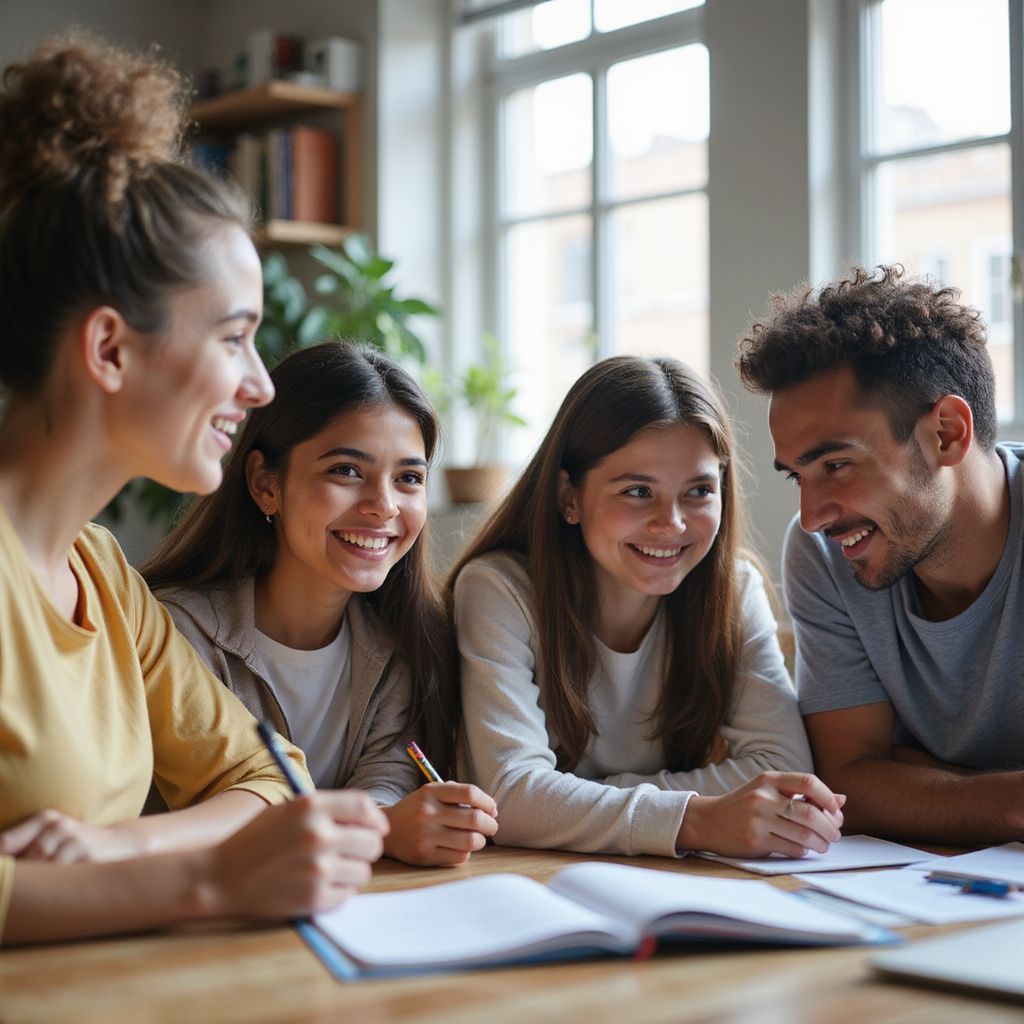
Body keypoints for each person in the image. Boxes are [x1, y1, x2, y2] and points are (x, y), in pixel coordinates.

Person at [0, 34, 388, 945]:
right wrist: (205, 880)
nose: (260, 386)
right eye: (232, 338)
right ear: (108, 349)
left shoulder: (99, 572)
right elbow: (237, 836)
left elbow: (266, 776)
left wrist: (112, 852)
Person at [449, 355, 844, 858]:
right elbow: (513, 796)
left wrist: (570, 794)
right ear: (569, 497)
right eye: (638, 491)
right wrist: (695, 819)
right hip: (518, 877)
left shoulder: (734, 588)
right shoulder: (498, 590)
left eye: (699, 490)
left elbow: (784, 768)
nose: (672, 523)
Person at [142, 341, 498, 867]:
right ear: (266, 484)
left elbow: (388, 778)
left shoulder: (403, 639)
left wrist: (405, 819)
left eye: (409, 478)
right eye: (346, 471)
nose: (383, 506)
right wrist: (380, 829)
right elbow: (194, 814)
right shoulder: (176, 632)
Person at [736, 264, 1024, 844]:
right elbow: (848, 784)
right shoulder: (823, 554)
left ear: (946, 432)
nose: (814, 515)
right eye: (798, 476)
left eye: (835, 466)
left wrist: (918, 776)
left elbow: (875, 780)